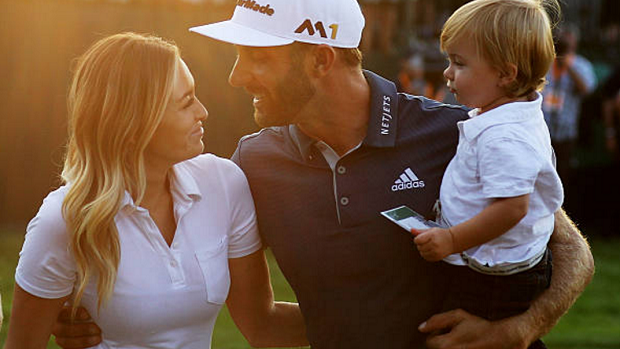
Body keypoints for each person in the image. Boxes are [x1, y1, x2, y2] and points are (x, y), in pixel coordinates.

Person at [54, 1, 594, 348]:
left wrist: (520, 329)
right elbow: (252, 316)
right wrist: (101, 316)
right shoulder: (252, 163)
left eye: (254, 58)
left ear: (318, 60)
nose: (237, 77)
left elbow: (568, 246)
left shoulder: (459, 132)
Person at [4, 32, 307, 349]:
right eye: (186, 102)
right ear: (134, 124)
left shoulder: (224, 183)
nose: (202, 112)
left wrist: (360, 315)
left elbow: (264, 325)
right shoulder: (64, 220)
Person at [410, 1, 562, 347]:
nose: (447, 72)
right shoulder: (506, 114)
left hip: (493, 275)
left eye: (459, 63)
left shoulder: (503, 136)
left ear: (505, 75)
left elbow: (511, 208)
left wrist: (451, 239)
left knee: (453, 337)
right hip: (500, 262)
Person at [542, 24, 597, 182]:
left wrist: (567, 65)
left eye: (568, 40)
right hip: (544, 128)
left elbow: (587, 89)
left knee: (561, 176)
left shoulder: (581, 65)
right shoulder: (545, 62)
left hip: (566, 131)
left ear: (575, 43)